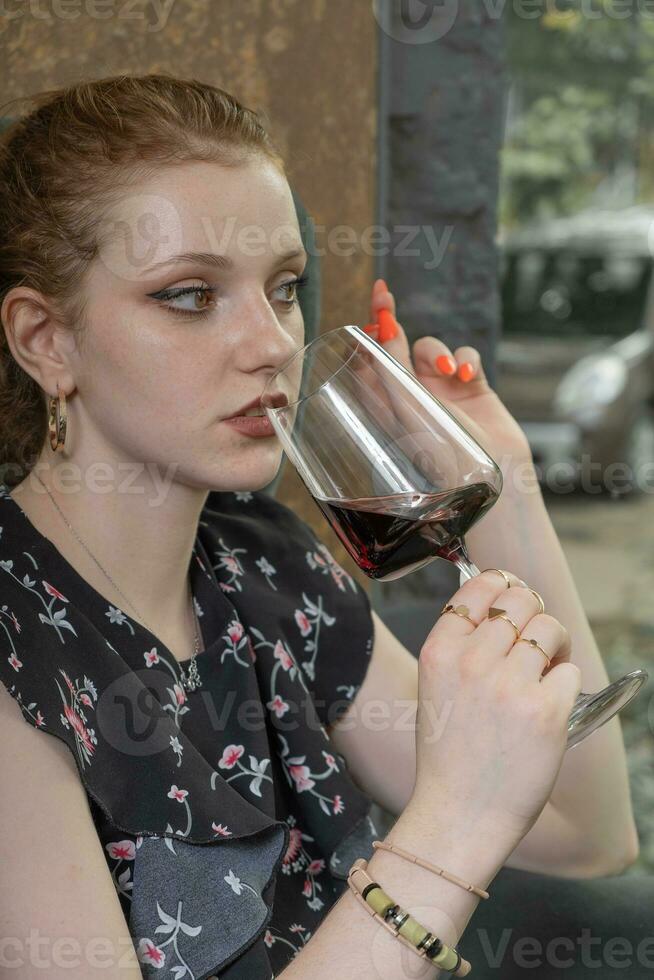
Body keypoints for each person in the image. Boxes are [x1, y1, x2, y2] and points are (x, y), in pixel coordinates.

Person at [0, 73, 638, 980]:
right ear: (45, 340)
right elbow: (479, 826)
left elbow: (589, 837)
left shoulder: (266, 567)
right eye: (189, 295)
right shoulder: (14, 646)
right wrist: (452, 820)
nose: (271, 343)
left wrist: (505, 476)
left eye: (286, 287)